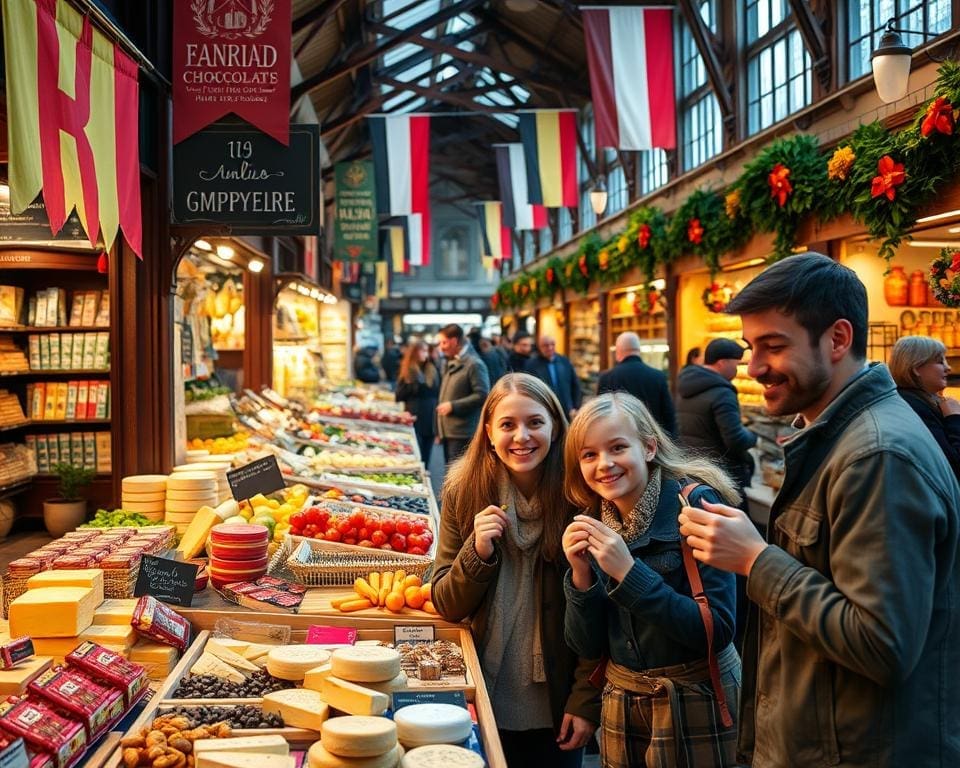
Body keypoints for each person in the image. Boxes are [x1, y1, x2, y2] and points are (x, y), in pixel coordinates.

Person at [677, 253, 960, 767]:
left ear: (837, 339)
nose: (755, 366)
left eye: (774, 346)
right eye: (750, 347)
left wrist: (754, 561)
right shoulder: (843, 437)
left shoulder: (878, 455)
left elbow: (882, 644)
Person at [562, 392, 740, 767]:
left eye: (617, 447)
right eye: (589, 455)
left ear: (648, 447)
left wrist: (628, 573)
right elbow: (586, 644)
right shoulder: (594, 518)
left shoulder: (695, 507)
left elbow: (718, 629)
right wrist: (580, 577)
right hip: (622, 702)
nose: (604, 464)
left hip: (695, 701)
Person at [431, 373, 601, 767]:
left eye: (535, 423)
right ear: (489, 432)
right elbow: (446, 602)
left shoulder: (582, 494)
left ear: (556, 426)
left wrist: (585, 699)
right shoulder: (464, 490)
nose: (522, 436)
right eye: (508, 424)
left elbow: (602, 611)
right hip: (485, 691)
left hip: (559, 699)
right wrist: (477, 552)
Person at [676, 338, 757, 492]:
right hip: (721, 475)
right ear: (722, 363)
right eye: (736, 364)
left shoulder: (686, 385)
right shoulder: (723, 393)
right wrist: (754, 436)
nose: (737, 369)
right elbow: (735, 440)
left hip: (694, 468)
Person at [889, 335, 960, 481]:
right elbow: (953, 465)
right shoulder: (915, 409)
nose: (948, 368)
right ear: (916, 368)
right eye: (940, 362)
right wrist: (954, 418)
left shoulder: (917, 401)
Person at [596, 332, 677, 436]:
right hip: (652, 442)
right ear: (639, 350)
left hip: (619, 442)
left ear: (618, 351)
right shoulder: (658, 377)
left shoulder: (607, 378)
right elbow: (669, 417)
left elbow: (601, 416)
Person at [435, 323, 490, 464]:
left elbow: (482, 394)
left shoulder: (474, 364)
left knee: (459, 479)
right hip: (451, 431)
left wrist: (453, 406)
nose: (441, 347)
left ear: (454, 341)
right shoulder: (453, 360)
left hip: (462, 433)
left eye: (444, 342)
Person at [395, 340, 440, 465]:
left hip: (430, 414)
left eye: (427, 350)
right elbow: (399, 395)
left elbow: (437, 391)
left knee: (427, 450)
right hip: (415, 414)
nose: (426, 354)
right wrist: (411, 384)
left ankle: (425, 470)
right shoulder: (408, 370)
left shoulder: (432, 368)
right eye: (423, 350)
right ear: (415, 352)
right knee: (417, 450)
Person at [525, 335, 582, 419]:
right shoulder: (531, 365)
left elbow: (575, 385)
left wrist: (575, 407)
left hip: (566, 411)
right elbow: (529, 391)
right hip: (544, 410)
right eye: (546, 345)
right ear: (539, 347)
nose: (550, 347)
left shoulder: (564, 361)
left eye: (552, 344)